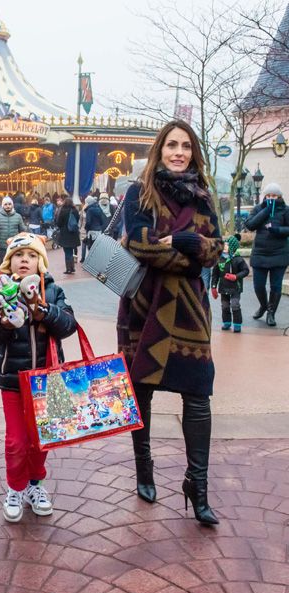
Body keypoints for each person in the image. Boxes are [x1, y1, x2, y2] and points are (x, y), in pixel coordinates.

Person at [117, 120, 223, 525]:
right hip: (144, 307)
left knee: (198, 395)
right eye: (171, 145)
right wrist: (191, 256)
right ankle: (144, 466)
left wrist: (179, 242)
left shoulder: (203, 198)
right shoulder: (139, 193)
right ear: (160, 149)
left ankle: (197, 485)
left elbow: (215, 248)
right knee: (140, 392)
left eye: (185, 146)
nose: (178, 152)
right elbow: (140, 243)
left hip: (190, 315)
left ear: (193, 153)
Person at [0, 233, 76, 523]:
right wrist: (3, 322)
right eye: (19, 255)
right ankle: (15, 488)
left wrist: (43, 311)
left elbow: (69, 324)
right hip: (12, 379)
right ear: (10, 261)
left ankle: (35, 485)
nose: (25, 260)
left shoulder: (53, 290)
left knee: (40, 440)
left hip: (46, 379)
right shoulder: (0, 291)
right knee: (16, 442)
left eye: (32, 255)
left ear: (41, 264)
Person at [244, 182, 289, 327]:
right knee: (258, 286)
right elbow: (250, 225)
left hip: (279, 253)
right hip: (260, 253)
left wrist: (277, 230)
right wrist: (266, 210)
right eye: (268, 195)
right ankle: (263, 305)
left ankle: (271, 312)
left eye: (274, 196)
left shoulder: (286, 210)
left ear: (279, 197)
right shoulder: (258, 208)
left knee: (276, 286)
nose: (271, 198)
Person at [211, 234, 250, 333]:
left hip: (235, 288)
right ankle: (226, 322)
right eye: (224, 244)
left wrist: (236, 276)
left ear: (232, 247)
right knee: (225, 306)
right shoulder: (219, 259)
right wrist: (213, 287)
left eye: (227, 245)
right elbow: (215, 274)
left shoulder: (238, 259)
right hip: (224, 288)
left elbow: (246, 271)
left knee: (235, 304)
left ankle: (237, 324)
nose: (224, 247)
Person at [0, 196, 26, 264]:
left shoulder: (18, 217)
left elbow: (23, 231)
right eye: (5, 204)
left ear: (12, 205)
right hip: (2, 247)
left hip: (15, 246)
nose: (8, 206)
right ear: (3, 206)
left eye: (9, 204)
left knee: (15, 265)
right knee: (3, 266)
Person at [55, 195, 80, 274]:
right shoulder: (75, 210)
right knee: (71, 250)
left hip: (65, 233)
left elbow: (59, 223)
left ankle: (69, 268)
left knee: (67, 252)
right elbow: (77, 220)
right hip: (73, 233)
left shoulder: (62, 210)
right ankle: (72, 267)